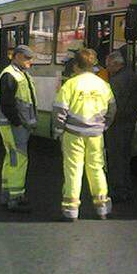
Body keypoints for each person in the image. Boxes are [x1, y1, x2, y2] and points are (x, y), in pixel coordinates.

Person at [52, 48, 116, 221]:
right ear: (93, 64)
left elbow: (60, 111)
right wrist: (103, 126)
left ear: (75, 66)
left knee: (73, 169)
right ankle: (102, 208)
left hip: (73, 134)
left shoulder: (70, 85)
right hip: (96, 135)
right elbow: (111, 109)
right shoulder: (103, 85)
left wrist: (58, 131)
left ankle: (71, 211)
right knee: (96, 168)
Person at [0, 45, 38, 213]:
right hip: (14, 125)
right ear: (18, 56)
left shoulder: (19, 74)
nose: (31, 62)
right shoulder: (10, 75)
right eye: (28, 58)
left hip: (15, 124)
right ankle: (15, 197)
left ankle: (8, 193)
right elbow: (7, 103)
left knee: (12, 158)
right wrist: (18, 123)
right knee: (18, 159)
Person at [104, 51, 137, 202]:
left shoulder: (117, 80)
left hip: (117, 124)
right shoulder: (132, 76)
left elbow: (114, 105)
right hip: (129, 121)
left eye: (108, 65)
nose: (107, 69)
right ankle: (126, 186)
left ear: (116, 64)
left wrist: (106, 122)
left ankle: (118, 190)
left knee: (116, 158)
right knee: (125, 156)